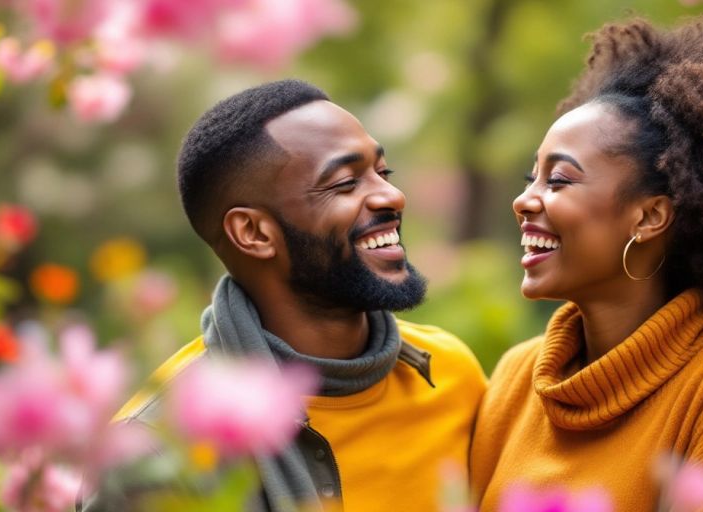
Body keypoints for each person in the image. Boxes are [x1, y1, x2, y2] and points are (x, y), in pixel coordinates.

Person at [470, 17, 703, 511]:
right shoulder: (518, 377)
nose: (524, 201)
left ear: (649, 216)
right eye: (529, 178)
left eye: (557, 180)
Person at [85, 80, 486, 511]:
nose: (393, 195)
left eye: (382, 173)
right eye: (346, 182)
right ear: (254, 233)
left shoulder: (451, 373)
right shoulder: (156, 450)